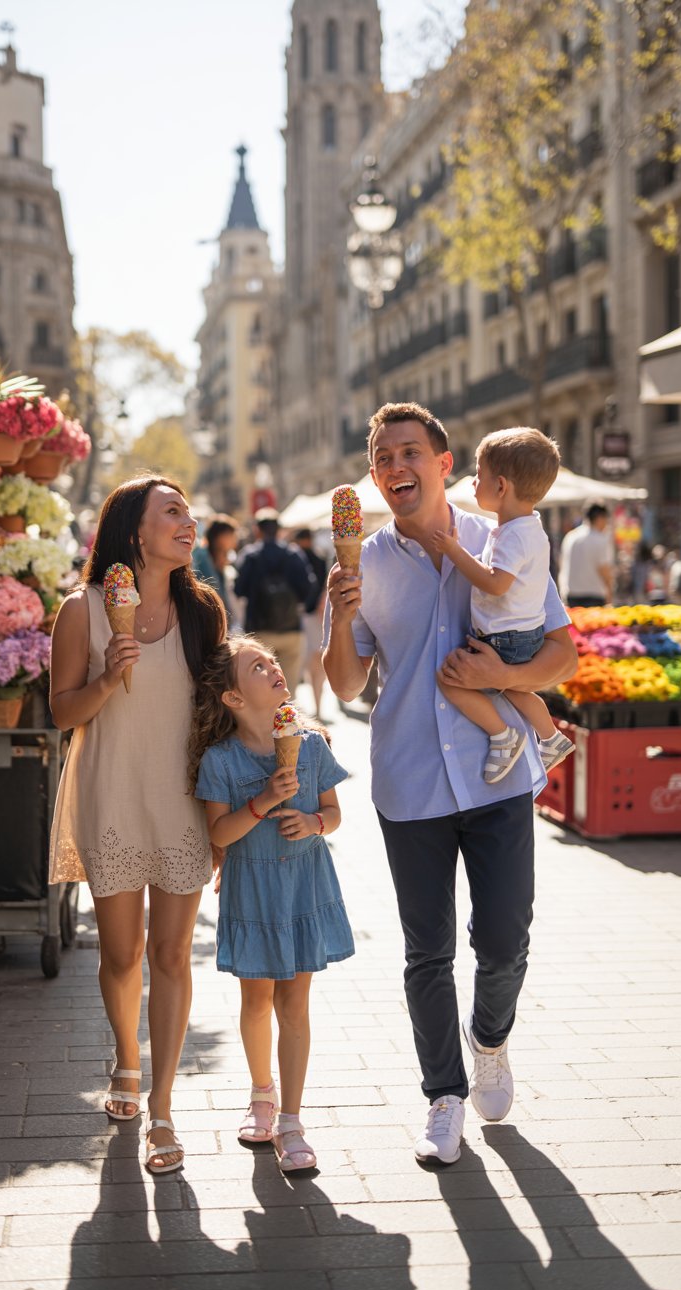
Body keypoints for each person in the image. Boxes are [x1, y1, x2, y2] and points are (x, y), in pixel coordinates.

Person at [323, 402, 577, 1167]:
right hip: (408, 780)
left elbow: (562, 656)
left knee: (503, 942)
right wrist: (339, 617)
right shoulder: (359, 563)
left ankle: (490, 1039)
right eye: (381, 458)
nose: (395, 467)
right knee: (426, 952)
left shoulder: (504, 538)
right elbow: (341, 683)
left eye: (408, 452)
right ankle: (444, 1095)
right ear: (375, 479)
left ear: (444, 462)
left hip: (496, 779)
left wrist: (502, 674)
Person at [48, 475, 226, 1175]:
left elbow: (216, 712)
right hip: (112, 794)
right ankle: (125, 1060)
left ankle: (162, 1107)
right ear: (133, 531)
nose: (188, 522)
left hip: (181, 799)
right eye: (172, 512)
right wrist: (105, 676)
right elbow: (63, 713)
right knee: (122, 956)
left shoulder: (203, 610)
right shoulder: (81, 611)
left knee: (172, 956)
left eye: (188, 511)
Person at [191, 634, 354, 1173]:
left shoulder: (312, 746)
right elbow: (221, 833)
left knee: (295, 1006)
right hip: (253, 894)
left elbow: (333, 813)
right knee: (257, 1001)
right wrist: (263, 802)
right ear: (233, 698)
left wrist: (314, 822)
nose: (274, 669)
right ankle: (261, 1092)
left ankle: (291, 1119)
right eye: (257, 667)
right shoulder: (221, 760)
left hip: (303, 887)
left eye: (271, 662)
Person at [434, 428, 575, 783]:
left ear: (500, 486)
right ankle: (550, 736)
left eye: (478, 475)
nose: (472, 483)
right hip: (519, 634)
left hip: (504, 638)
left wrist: (454, 551)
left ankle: (503, 736)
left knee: (451, 680)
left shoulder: (514, 534)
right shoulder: (529, 528)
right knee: (514, 688)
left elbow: (496, 584)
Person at [234, 509, 315, 698]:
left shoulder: (250, 556)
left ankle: (263, 727)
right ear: (279, 530)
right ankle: (286, 726)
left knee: (260, 693)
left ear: (257, 530)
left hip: (259, 631)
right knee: (288, 692)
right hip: (292, 629)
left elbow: (239, 589)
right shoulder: (293, 554)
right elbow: (309, 588)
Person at [293, 527, 328, 719]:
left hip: (301, 617)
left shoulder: (296, 558)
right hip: (318, 616)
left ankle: (298, 707)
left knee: (303, 663)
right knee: (317, 665)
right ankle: (318, 706)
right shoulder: (320, 559)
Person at [557, 502, 614, 608]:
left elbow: (562, 564)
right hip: (594, 596)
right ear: (599, 518)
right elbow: (604, 570)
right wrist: (610, 595)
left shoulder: (570, 537)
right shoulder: (600, 539)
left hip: (571, 595)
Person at [192, 514, 239, 624]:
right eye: (231, 535)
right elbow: (212, 590)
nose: (234, 540)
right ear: (219, 536)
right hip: (208, 620)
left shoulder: (220, 557)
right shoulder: (202, 557)